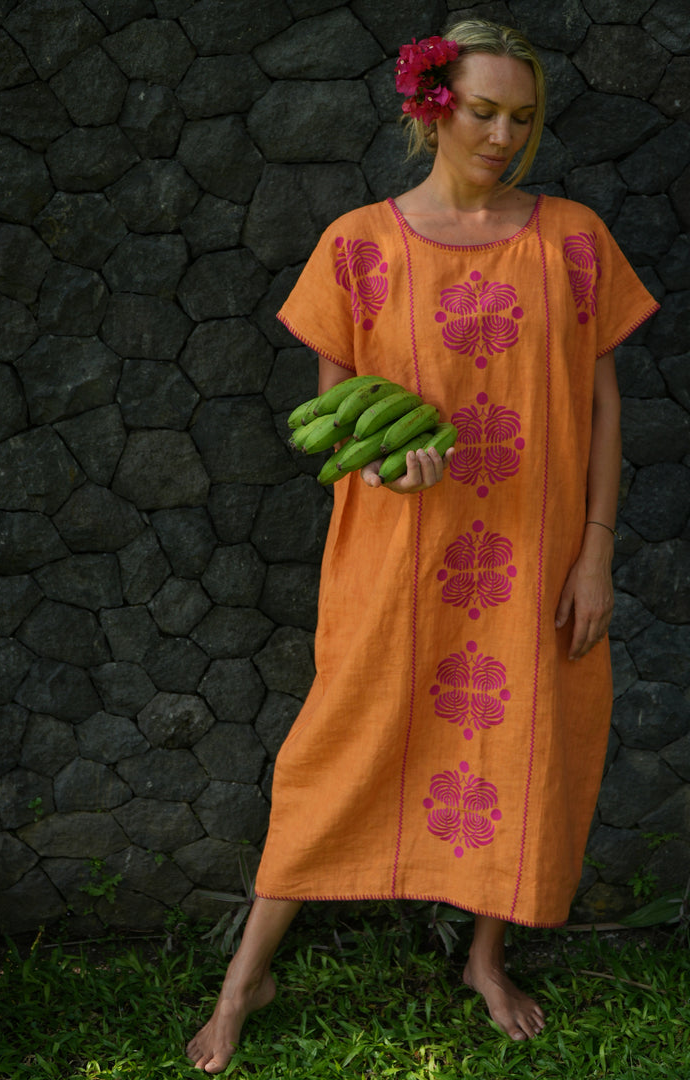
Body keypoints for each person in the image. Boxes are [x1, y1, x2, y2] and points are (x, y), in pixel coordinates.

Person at [187, 19, 659, 1072]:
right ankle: (246, 975)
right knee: (337, 746)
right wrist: (387, 465)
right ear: (430, 107)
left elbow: (602, 406)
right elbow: (337, 414)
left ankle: (485, 958)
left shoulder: (574, 238)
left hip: (536, 553)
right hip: (395, 558)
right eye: (484, 111)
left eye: (522, 117)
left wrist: (595, 550)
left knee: (526, 743)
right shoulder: (358, 245)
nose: (504, 134)